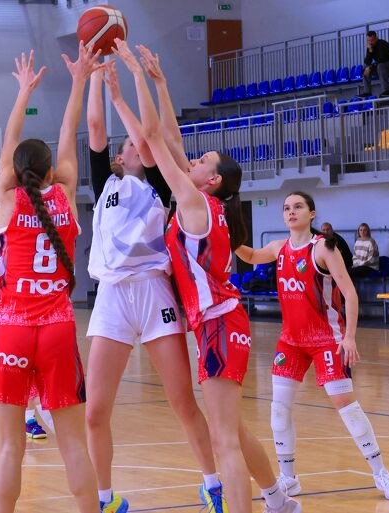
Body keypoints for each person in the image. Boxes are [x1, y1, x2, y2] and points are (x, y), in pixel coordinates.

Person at [114, 39, 301, 513]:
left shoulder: (195, 202)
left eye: (200, 163)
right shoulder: (208, 204)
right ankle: (278, 499)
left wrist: (132, 77)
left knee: (224, 440)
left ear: (211, 180)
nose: (192, 161)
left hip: (218, 322)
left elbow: (154, 139)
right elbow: (171, 142)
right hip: (220, 320)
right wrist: (159, 83)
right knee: (232, 429)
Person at [84, 60, 226, 513]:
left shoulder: (163, 187)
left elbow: (150, 136)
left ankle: (213, 486)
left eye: (136, 142)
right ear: (118, 158)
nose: (133, 145)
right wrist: (95, 75)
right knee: (94, 411)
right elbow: (95, 126)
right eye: (126, 144)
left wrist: (123, 94)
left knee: (182, 401)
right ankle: (105, 499)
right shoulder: (105, 182)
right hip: (112, 296)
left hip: (153, 292)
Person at [0, 46, 102, 513]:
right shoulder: (66, 196)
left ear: (14, 172)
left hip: (10, 329)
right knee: (73, 444)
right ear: (52, 170)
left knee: (9, 447)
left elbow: (10, 141)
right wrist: (79, 80)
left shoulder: (7, 200)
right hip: (56, 329)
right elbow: (68, 134)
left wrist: (23, 92)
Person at [235, 192, 389, 501]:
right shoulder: (278, 248)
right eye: (286, 208)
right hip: (291, 340)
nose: (291, 212)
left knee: (348, 408)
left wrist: (349, 336)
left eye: (298, 207)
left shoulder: (323, 248)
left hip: (327, 339)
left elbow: (350, 293)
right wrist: (224, 231)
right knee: (278, 410)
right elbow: (249, 256)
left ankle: (381, 473)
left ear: (312, 213)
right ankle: (289, 478)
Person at [362, 30, 389, 98]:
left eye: (372, 40)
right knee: (365, 67)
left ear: (376, 38)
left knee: (380, 66)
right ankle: (367, 92)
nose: (370, 42)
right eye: (368, 40)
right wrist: (370, 52)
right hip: (383, 68)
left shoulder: (382, 44)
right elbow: (367, 62)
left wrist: (371, 67)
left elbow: (382, 59)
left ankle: (386, 91)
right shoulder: (370, 47)